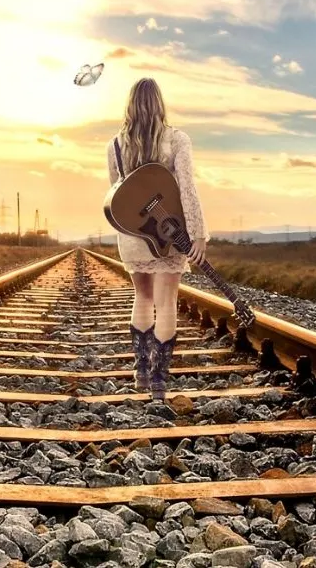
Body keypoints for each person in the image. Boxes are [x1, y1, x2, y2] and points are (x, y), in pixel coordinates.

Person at [106, 77, 210, 401]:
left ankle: (140, 372)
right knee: (167, 303)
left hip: (134, 234)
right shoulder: (177, 139)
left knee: (143, 298)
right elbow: (187, 189)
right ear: (160, 104)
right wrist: (198, 235)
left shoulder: (115, 145)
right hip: (169, 232)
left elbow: (117, 194)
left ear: (130, 105)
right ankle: (159, 382)